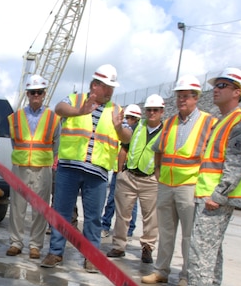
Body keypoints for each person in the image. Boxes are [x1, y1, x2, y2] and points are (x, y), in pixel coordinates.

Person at [174, 68, 241, 286]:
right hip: (211, 195)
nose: (216, 89)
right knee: (213, 248)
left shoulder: (238, 122)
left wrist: (218, 195)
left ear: (237, 92)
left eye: (223, 85)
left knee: (201, 247)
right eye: (216, 85)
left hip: (217, 198)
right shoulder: (224, 120)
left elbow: (237, 163)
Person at [40, 64, 131, 272]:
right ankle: (55, 252)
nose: (110, 91)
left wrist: (118, 128)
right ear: (95, 85)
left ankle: (91, 256)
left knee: (93, 217)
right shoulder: (75, 100)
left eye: (112, 88)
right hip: (69, 167)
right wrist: (79, 111)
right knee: (61, 212)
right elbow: (59, 109)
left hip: (97, 172)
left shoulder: (116, 111)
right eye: (107, 87)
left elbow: (128, 137)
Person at [141, 75, 215, 286]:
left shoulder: (208, 122)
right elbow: (159, 150)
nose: (181, 100)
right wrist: (157, 171)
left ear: (196, 97)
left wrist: (205, 185)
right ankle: (161, 271)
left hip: (190, 186)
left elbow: (213, 158)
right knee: (166, 232)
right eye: (179, 96)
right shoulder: (171, 122)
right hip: (166, 185)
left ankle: (186, 276)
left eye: (186, 96)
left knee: (189, 236)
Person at [6, 75, 61, 259]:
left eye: (39, 92)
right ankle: (16, 242)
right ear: (27, 94)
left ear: (45, 94)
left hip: (42, 168)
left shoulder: (53, 118)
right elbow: (15, 142)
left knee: (40, 209)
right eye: (32, 92)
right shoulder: (16, 117)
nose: (35, 95)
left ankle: (35, 245)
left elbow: (56, 144)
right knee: (17, 207)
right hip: (20, 167)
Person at [106, 94, 165, 263]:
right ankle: (119, 246)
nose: (152, 113)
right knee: (123, 214)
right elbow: (124, 148)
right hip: (129, 176)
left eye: (155, 110)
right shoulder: (137, 127)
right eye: (149, 110)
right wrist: (120, 171)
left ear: (161, 112)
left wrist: (159, 176)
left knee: (150, 216)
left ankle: (147, 247)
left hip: (150, 179)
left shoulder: (166, 131)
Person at [102, 105, 140, 238]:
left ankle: (129, 230)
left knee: (131, 204)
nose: (128, 120)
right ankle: (105, 225)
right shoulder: (121, 130)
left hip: (128, 170)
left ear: (136, 119)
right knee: (112, 200)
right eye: (127, 117)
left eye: (130, 118)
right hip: (117, 170)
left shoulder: (136, 133)